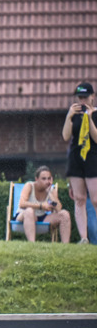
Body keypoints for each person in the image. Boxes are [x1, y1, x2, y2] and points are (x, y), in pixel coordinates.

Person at [62, 82, 97, 244]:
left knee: (95, 199)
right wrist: (69, 116)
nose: (82, 101)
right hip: (76, 159)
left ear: (93, 97)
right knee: (80, 198)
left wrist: (89, 118)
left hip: (92, 158)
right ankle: (84, 238)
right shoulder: (73, 113)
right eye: (80, 97)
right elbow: (65, 136)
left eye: (85, 97)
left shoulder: (95, 114)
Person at [16, 166, 70, 243]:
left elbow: (58, 209)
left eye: (49, 178)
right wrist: (41, 206)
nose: (47, 181)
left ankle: (66, 246)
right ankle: (32, 244)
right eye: (43, 179)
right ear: (36, 179)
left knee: (64, 214)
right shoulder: (29, 186)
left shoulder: (51, 190)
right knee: (29, 211)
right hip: (24, 215)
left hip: (42, 217)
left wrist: (49, 192)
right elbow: (22, 203)